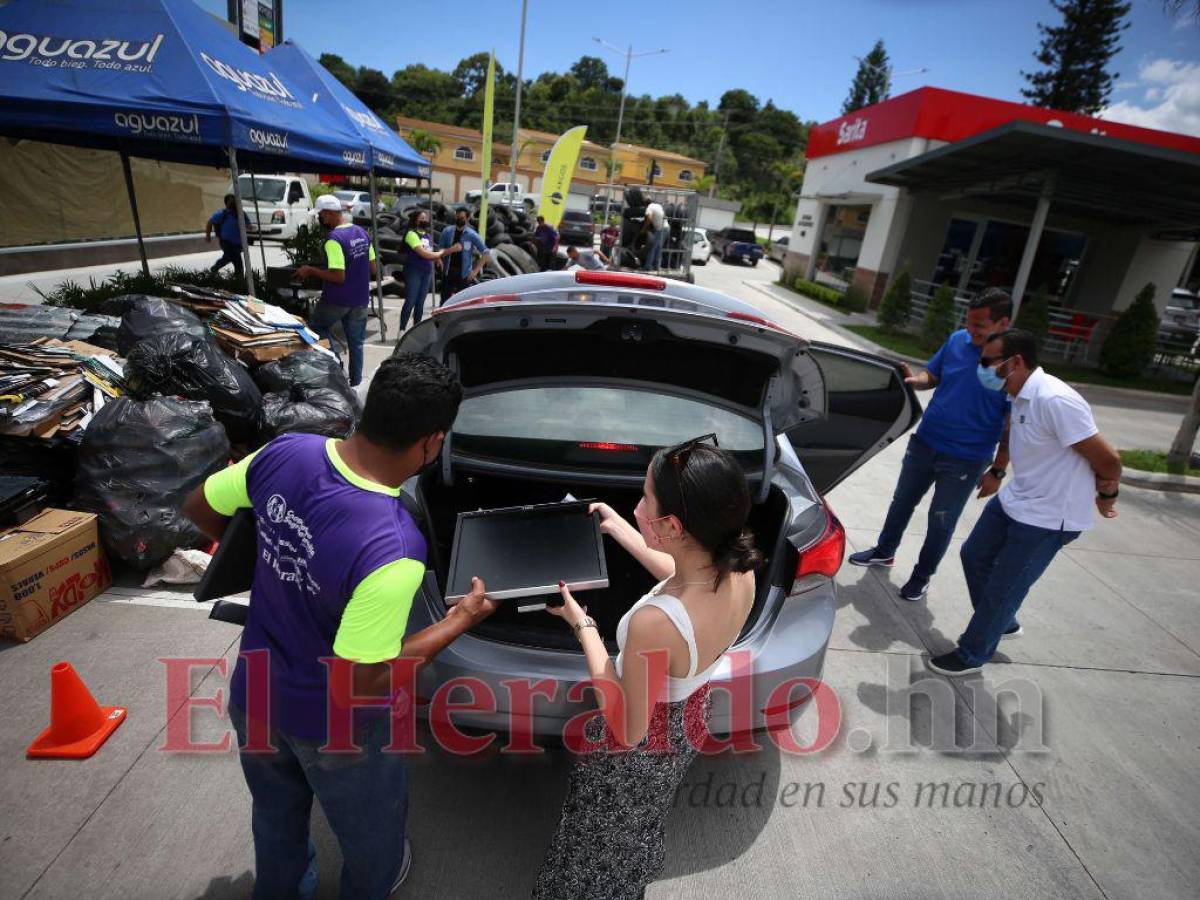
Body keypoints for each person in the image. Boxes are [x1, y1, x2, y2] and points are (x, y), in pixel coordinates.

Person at [181, 354, 499, 899]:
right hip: (336, 730)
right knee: (370, 830)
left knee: (275, 815)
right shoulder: (393, 547)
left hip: (255, 692)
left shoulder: (287, 451)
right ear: (432, 442)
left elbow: (199, 506)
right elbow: (361, 682)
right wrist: (458, 621)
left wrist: (276, 567)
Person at [533, 435, 760, 900]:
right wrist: (622, 531)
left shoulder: (655, 626)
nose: (636, 505)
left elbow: (626, 727)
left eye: (644, 499)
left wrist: (583, 624)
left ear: (673, 524)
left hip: (639, 751)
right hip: (688, 721)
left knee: (595, 847)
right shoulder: (737, 567)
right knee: (638, 828)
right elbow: (682, 576)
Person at [929, 329, 1122, 676]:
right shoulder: (1018, 394)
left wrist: (1106, 496)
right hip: (1018, 498)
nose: (982, 369)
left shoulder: (1055, 400)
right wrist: (998, 473)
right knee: (973, 555)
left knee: (1006, 585)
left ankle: (973, 653)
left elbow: (1108, 459)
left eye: (988, 362)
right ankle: (1001, 621)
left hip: (1050, 516)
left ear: (1015, 361)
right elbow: (1014, 440)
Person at [848, 288, 1013, 601]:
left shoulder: (1011, 367)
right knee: (901, 502)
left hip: (966, 459)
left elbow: (1011, 425)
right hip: (926, 442)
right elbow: (933, 375)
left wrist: (999, 469)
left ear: (1003, 323)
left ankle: (922, 576)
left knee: (941, 521)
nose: (972, 331)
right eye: (969, 323)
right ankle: (884, 551)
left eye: (980, 326)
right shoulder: (957, 340)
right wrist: (916, 381)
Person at [297, 194, 377, 388]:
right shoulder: (361, 232)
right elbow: (373, 268)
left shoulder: (334, 239)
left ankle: (336, 366)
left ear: (330, 213)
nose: (319, 219)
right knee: (356, 343)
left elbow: (338, 276)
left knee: (317, 327)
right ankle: (356, 384)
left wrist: (310, 270)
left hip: (338, 299)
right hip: (360, 298)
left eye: (321, 215)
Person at [401, 209, 458, 331]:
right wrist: (442, 253)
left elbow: (430, 252)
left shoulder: (428, 235)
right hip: (414, 270)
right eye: (421, 218)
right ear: (415, 220)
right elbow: (424, 254)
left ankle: (415, 330)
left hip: (426, 272)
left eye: (425, 218)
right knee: (411, 301)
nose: (424, 221)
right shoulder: (411, 234)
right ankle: (402, 330)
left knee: (420, 303)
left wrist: (438, 259)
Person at [439, 207, 490, 304]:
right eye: (457, 217)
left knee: (462, 303)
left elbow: (486, 252)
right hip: (448, 272)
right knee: (444, 302)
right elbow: (439, 250)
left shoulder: (471, 234)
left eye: (462, 218)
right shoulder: (447, 232)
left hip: (464, 274)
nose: (459, 219)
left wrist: (475, 271)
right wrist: (449, 252)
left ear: (467, 218)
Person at [206, 192, 250, 278]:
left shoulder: (241, 214)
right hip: (226, 242)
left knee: (228, 258)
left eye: (234, 201)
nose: (233, 203)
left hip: (238, 243)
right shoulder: (223, 213)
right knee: (237, 262)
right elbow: (210, 222)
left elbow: (248, 225)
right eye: (230, 202)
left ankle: (215, 269)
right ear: (226, 203)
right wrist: (208, 235)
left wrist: (250, 227)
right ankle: (238, 279)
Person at [641, 200, 666, 270]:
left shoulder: (649, 207)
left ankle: (648, 266)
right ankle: (657, 266)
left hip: (660, 229)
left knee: (652, 247)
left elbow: (649, 217)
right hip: (665, 227)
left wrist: (644, 228)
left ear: (646, 204)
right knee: (658, 248)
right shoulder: (657, 205)